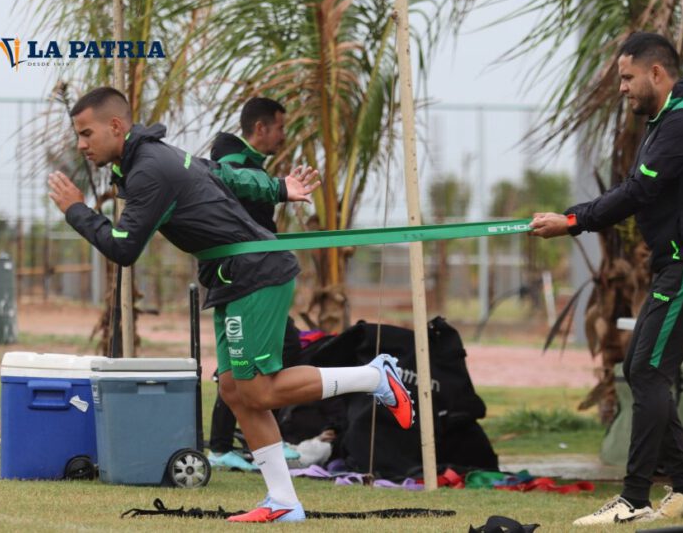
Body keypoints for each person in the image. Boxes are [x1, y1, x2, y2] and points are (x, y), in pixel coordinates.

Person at [47, 87, 415, 523]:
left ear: (115, 126)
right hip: (232, 276)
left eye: (86, 133)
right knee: (233, 390)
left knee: (258, 389)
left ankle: (375, 376)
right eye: (78, 135)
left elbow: (124, 248)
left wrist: (76, 211)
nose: (81, 144)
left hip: (254, 273)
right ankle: (283, 502)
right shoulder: (153, 158)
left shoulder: (148, 170)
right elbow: (221, 173)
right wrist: (278, 187)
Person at [530, 32, 683, 524]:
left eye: (626, 77)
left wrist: (572, 221)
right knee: (641, 369)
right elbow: (638, 190)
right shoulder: (672, 117)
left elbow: (637, 192)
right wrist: (574, 217)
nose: (622, 87)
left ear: (656, 74)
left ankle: (634, 499)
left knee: (646, 371)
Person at [205, 97, 302, 473]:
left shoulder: (251, 166)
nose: (283, 135)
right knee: (239, 373)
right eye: (280, 127)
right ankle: (373, 377)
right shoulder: (231, 161)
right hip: (245, 278)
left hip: (258, 276)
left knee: (243, 370)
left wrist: (279, 187)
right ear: (260, 128)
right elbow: (233, 181)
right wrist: (278, 187)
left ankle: (246, 443)